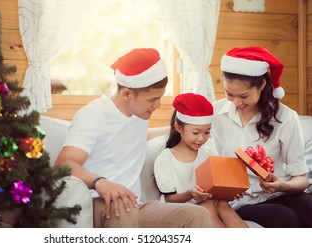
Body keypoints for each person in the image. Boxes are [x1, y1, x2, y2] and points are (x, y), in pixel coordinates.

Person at [55, 48, 212, 228]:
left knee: (197, 215)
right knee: (123, 206)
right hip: (98, 202)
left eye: (159, 98)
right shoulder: (94, 115)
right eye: (153, 99)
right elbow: (64, 164)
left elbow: (136, 138)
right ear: (127, 93)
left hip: (134, 204)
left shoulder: (138, 114)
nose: (158, 105)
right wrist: (101, 182)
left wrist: (183, 132)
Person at [211, 46, 312, 228]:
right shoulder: (215, 115)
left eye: (243, 96)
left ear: (262, 86)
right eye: (229, 94)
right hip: (242, 201)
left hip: (282, 193)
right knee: (284, 218)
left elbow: (301, 179)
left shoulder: (286, 117)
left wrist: (282, 185)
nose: (236, 102)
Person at [154, 93, 248, 228]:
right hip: (180, 209)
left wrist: (231, 193)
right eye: (195, 132)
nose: (201, 138)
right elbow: (169, 199)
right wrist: (191, 194)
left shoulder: (208, 154)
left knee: (222, 203)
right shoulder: (165, 158)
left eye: (206, 132)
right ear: (179, 128)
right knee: (207, 204)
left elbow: (215, 188)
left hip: (206, 204)